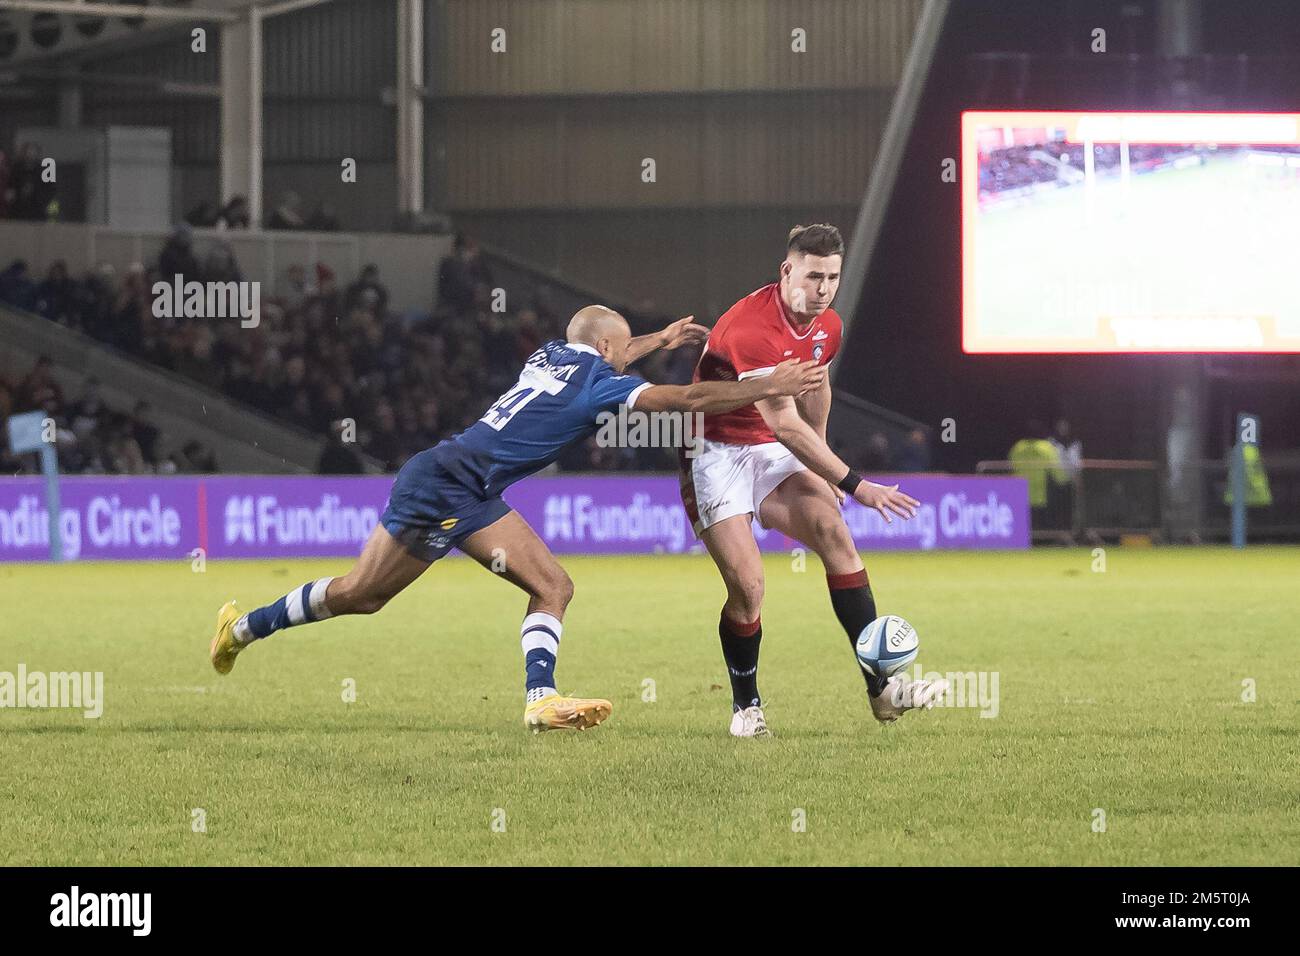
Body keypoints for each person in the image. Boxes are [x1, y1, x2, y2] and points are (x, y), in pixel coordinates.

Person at [209, 306, 825, 735]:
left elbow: (605, 351)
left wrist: (652, 342)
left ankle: (240, 631)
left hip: (451, 478)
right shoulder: (597, 387)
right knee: (368, 595)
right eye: (623, 347)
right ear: (608, 350)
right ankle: (540, 698)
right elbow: (688, 400)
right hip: (451, 485)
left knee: (387, 595)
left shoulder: (548, 355)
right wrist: (770, 382)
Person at [680, 224, 945, 738]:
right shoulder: (751, 330)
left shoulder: (829, 325)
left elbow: (813, 392)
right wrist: (853, 483)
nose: (823, 289)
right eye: (813, 275)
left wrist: (817, 463)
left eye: (833, 277)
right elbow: (782, 419)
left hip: (776, 450)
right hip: (714, 453)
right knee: (749, 588)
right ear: (787, 270)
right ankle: (746, 707)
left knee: (834, 534)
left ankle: (882, 691)